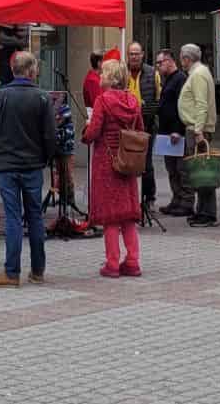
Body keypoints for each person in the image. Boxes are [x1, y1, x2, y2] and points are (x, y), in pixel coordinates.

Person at [0, 51, 55, 287]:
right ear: (32, 71)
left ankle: (12, 272)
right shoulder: (42, 97)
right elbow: (50, 136)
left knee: (13, 218)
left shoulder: (1, 97)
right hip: (33, 166)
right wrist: (45, 159)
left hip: (7, 166)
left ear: (13, 70)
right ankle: (38, 270)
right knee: (35, 217)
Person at [83, 58, 143, 278]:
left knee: (110, 216)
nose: (99, 77)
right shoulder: (133, 101)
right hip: (127, 161)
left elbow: (93, 133)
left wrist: (85, 130)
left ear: (110, 77)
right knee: (127, 215)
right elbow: (140, 130)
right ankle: (133, 261)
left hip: (106, 163)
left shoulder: (103, 101)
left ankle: (112, 263)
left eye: (102, 73)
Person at [177, 43, 218, 227]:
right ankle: (203, 211)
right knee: (200, 171)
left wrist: (198, 130)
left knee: (202, 171)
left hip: (197, 129)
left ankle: (207, 213)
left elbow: (201, 104)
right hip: (195, 128)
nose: (180, 61)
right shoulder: (199, 72)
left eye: (181, 57)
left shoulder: (198, 74)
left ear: (187, 58)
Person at [155, 49, 192, 217]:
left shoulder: (180, 79)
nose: (158, 66)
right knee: (171, 169)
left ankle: (186, 202)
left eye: (160, 62)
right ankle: (176, 199)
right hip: (166, 133)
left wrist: (178, 129)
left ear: (170, 61)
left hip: (176, 133)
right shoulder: (168, 79)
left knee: (181, 168)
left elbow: (182, 107)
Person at [127, 42, 160, 206]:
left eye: (136, 53)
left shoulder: (152, 73)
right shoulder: (123, 73)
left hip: (147, 125)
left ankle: (149, 199)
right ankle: (129, 199)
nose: (134, 57)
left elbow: (158, 99)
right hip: (127, 127)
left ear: (142, 54)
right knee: (127, 163)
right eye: (131, 54)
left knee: (146, 164)